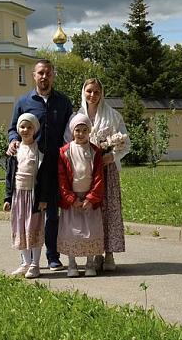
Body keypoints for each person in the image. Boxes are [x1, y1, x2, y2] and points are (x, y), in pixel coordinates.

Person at [7, 59, 73, 270]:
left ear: (53, 75)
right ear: (33, 76)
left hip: (54, 165)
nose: (44, 77)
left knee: (52, 213)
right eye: (40, 73)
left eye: (48, 73)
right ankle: (27, 260)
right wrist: (12, 141)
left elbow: (69, 131)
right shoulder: (24, 101)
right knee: (28, 215)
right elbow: (13, 129)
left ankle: (52, 256)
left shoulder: (63, 102)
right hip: (29, 167)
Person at [77, 78, 129, 272]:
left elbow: (125, 142)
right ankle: (95, 252)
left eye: (96, 92)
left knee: (109, 209)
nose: (92, 95)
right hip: (86, 171)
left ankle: (109, 254)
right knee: (92, 210)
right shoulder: (78, 115)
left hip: (107, 171)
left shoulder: (113, 116)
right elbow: (70, 141)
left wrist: (113, 155)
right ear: (84, 92)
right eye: (89, 91)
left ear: (102, 93)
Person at [57, 113, 105, 277]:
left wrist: (91, 198)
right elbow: (62, 178)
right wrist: (71, 199)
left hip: (89, 200)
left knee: (91, 231)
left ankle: (90, 263)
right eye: (78, 130)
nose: (81, 133)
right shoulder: (65, 152)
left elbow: (98, 177)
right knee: (72, 232)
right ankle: (72, 264)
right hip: (72, 200)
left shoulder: (95, 151)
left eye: (85, 130)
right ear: (72, 131)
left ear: (89, 131)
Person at [3, 113, 48, 279]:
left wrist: (43, 198)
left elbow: (44, 177)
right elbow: (9, 177)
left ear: (35, 129)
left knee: (34, 228)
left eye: (29, 127)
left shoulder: (39, 151)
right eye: (22, 127)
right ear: (18, 129)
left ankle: (35, 264)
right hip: (18, 196)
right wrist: (8, 198)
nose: (26, 130)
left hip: (34, 197)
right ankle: (25, 262)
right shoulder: (14, 151)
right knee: (20, 228)